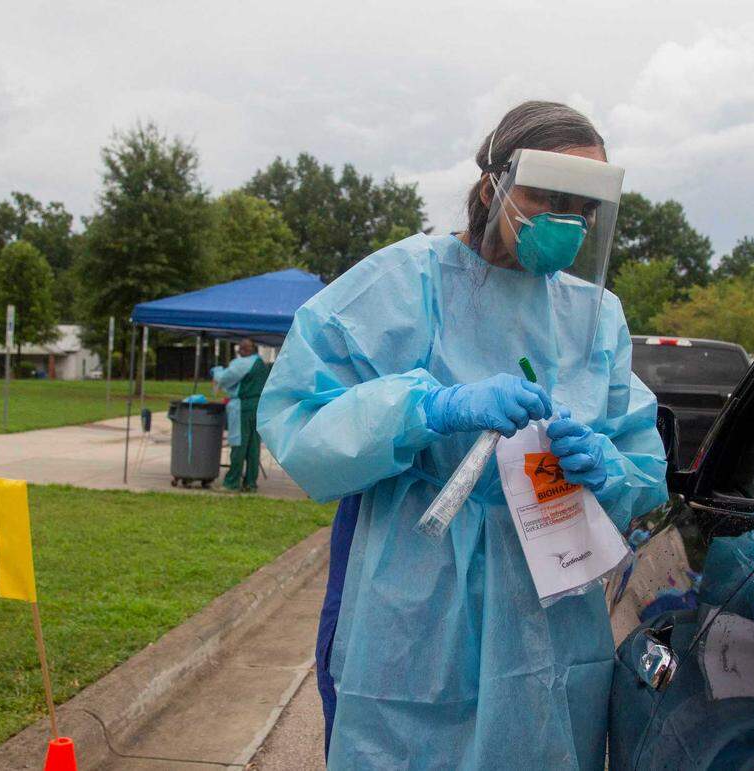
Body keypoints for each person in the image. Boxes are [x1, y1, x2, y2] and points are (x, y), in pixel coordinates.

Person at [259, 101, 668, 769]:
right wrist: (429, 408)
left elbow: (638, 459)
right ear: (493, 186)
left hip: (554, 601)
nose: (566, 219)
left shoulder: (596, 314)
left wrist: (604, 467)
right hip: (418, 595)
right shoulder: (406, 281)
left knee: (542, 741)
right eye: (548, 195)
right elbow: (297, 420)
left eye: (585, 205)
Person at [211, 338, 268, 492]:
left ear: (243, 350)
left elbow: (224, 378)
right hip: (258, 407)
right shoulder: (261, 364)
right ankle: (250, 483)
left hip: (243, 407)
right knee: (253, 447)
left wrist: (216, 371)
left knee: (239, 445)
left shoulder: (243, 363)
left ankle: (232, 482)